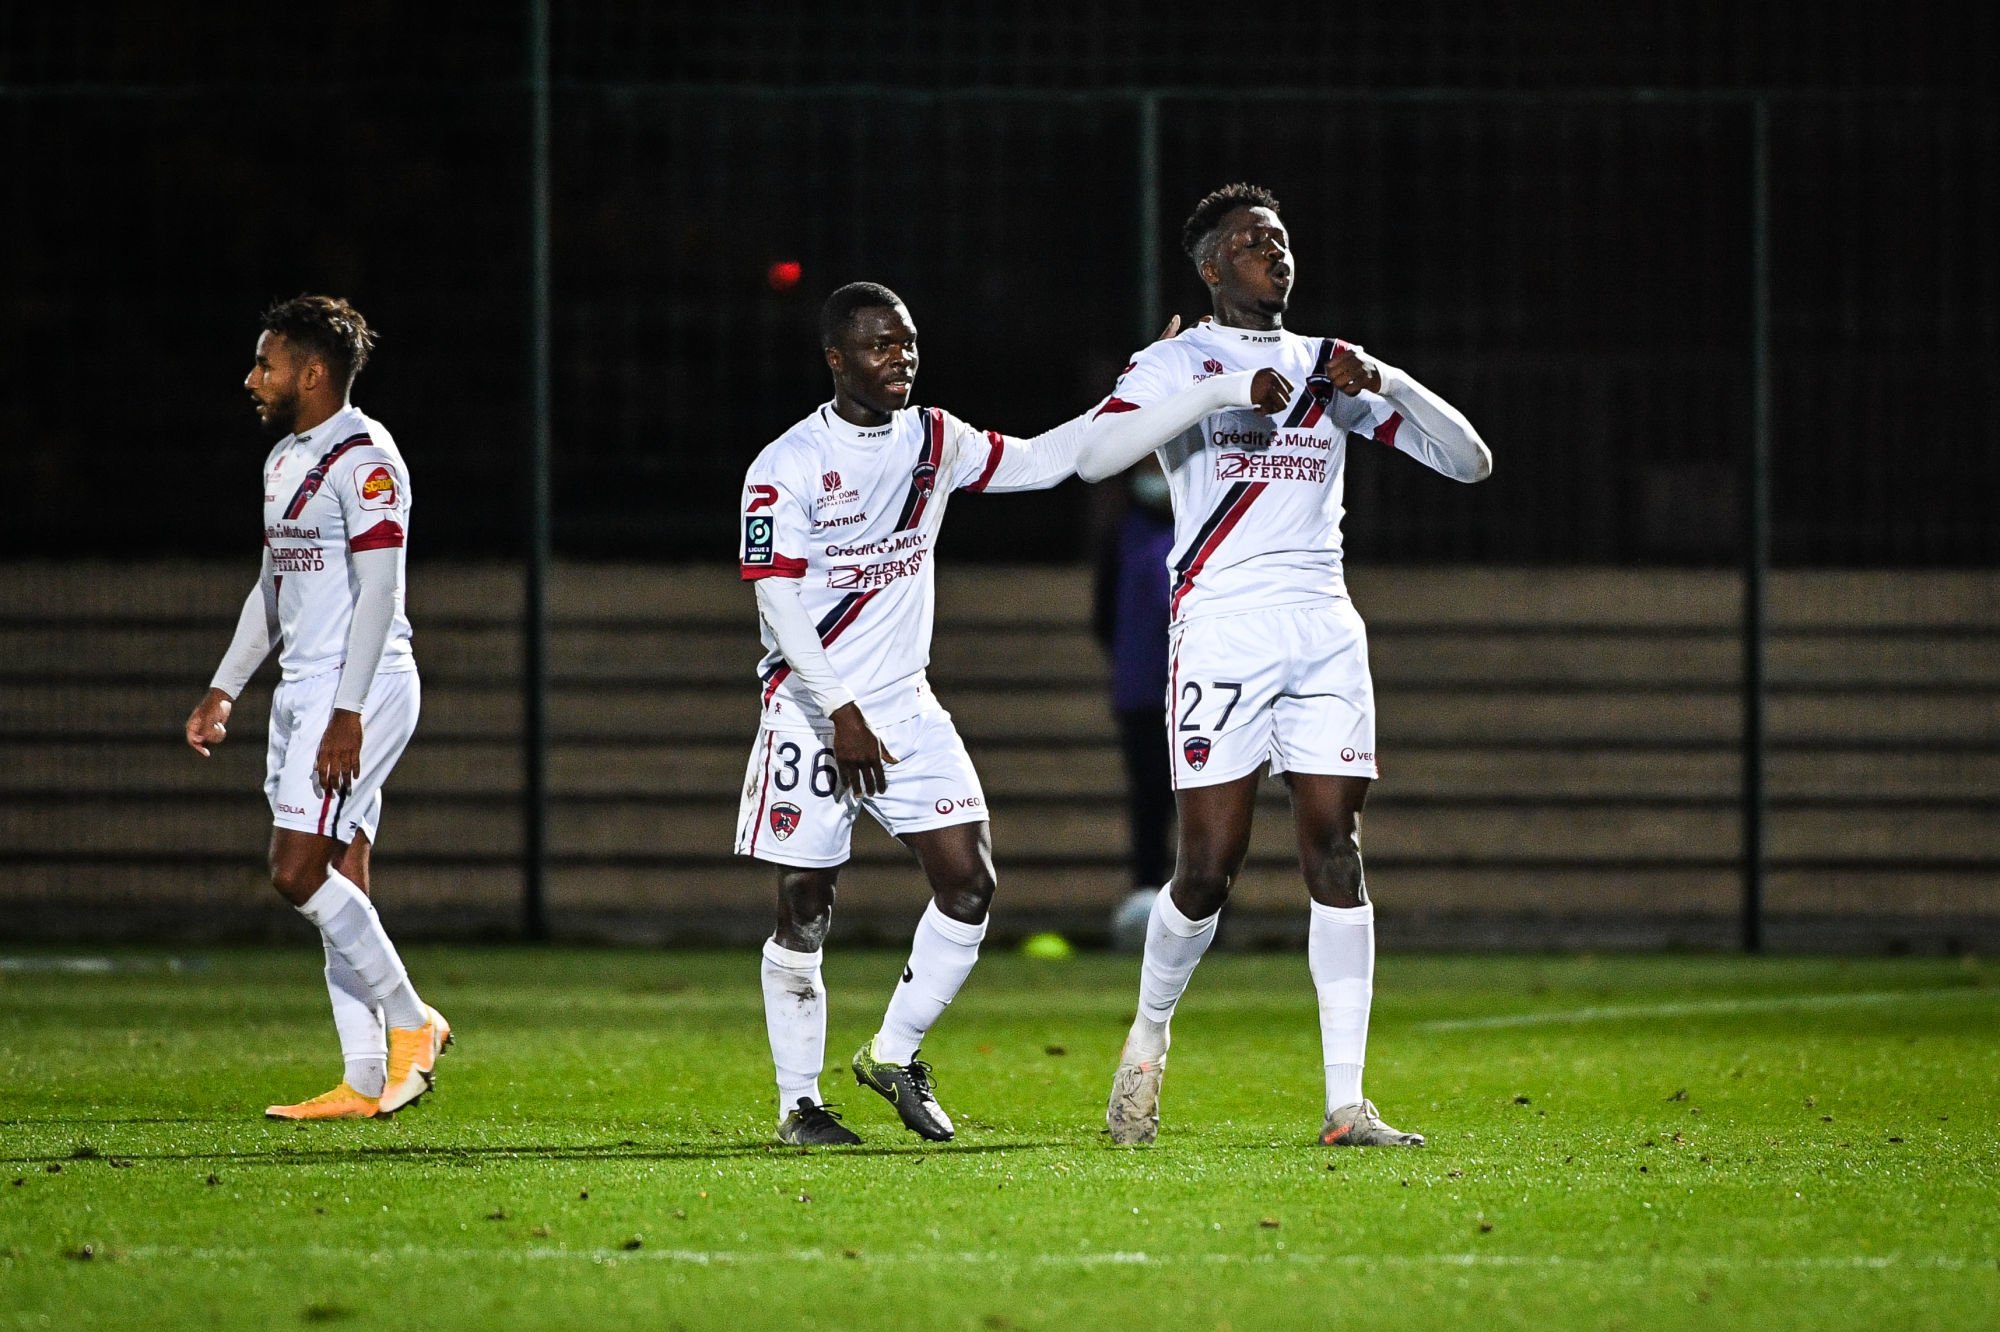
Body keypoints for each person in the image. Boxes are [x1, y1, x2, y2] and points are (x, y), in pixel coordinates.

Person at [737, 283, 1211, 1146]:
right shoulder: (787, 464)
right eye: (880, 347)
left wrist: (1141, 387)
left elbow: (1050, 458)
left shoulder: (936, 440)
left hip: (906, 706)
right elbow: (779, 604)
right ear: (836, 359)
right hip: (812, 711)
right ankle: (798, 1105)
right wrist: (838, 709)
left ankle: (892, 1052)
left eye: (909, 344)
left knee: (970, 882)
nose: (901, 360)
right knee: (805, 900)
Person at [1076, 183, 1492, 1147]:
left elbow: (1470, 463)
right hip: (1223, 627)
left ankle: (1347, 1102)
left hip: (1323, 628)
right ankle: (1146, 1044)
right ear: (1213, 266)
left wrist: (1385, 379)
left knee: (1335, 847)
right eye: (1254, 242)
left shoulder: (1328, 369)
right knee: (1208, 869)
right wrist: (1211, 388)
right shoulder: (1175, 360)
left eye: (1284, 240)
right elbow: (1099, 458)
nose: (1278, 254)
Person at [184, 295, 450, 1121]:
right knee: (342, 876)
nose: (252, 378)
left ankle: (414, 1025)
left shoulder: (367, 457)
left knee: (295, 871)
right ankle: (365, 1078)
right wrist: (225, 687)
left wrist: (349, 710)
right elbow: (272, 590)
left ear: (312, 372)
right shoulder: (284, 462)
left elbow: (380, 592)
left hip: (356, 688)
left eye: (266, 364)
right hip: (307, 688)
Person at [1091, 463, 1177, 947]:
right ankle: (1147, 900)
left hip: (1197, 691)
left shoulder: (1199, 524)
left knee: (1205, 804)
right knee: (1149, 800)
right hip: (1143, 693)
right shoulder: (1123, 536)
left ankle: (1203, 908)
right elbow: (1104, 617)